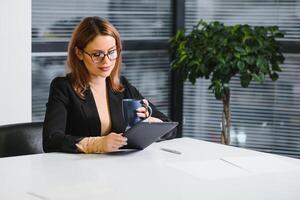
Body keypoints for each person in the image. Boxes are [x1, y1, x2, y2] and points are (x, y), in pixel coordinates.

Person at [43, 16, 171, 154]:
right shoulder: (63, 87)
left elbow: (169, 129)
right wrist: (97, 144)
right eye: (97, 54)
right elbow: (51, 140)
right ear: (79, 53)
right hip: (79, 170)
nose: (106, 61)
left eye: (111, 52)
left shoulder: (122, 86)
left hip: (118, 168)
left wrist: (148, 121)